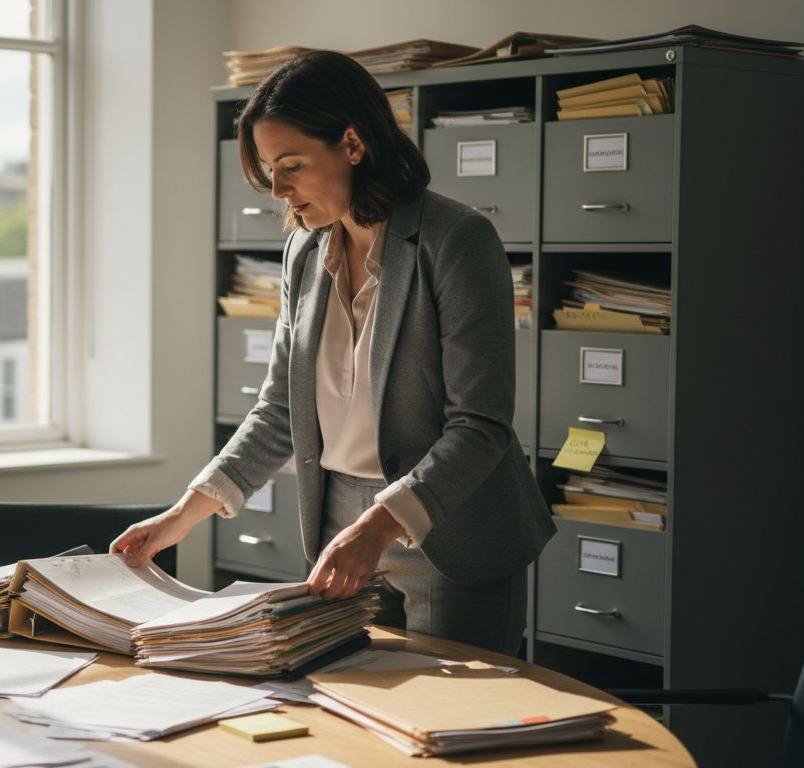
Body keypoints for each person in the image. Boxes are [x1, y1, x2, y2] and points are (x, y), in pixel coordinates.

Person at [110, 50, 554, 656]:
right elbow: (280, 411)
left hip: (452, 532)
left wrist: (376, 527)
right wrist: (181, 517)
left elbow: (480, 425)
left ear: (352, 143)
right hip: (340, 525)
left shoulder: (457, 241)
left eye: (291, 165)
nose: (278, 190)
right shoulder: (304, 250)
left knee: (447, 736)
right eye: (268, 169)